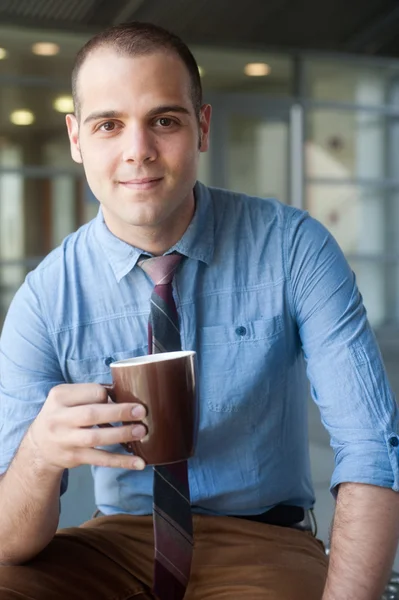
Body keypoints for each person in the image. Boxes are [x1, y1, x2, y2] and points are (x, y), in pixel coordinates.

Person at [0, 20, 398, 600]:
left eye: (164, 120)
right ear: (76, 139)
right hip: (116, 542)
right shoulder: (45, 298)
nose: (138, 150)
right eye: (108, 125)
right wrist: (38, 454)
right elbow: (10, 542)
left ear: (202, 126)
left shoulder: (292, 248)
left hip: (263, 541)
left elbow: (371, 449)